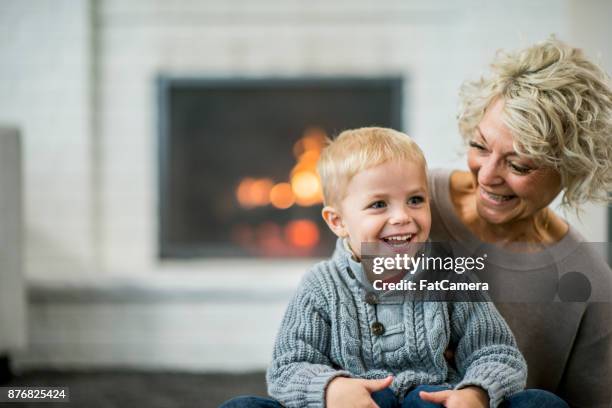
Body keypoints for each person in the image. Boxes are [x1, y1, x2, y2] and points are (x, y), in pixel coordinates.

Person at [221, 127, 567, 407]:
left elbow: (496, 352)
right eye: (378, 204)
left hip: (431, 401)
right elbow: (288, 368)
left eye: (415, 200)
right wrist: (332, 390)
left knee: (541, 403)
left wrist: (475, 393)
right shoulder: (320, 286)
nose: (402, 217)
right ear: (338, 221)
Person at [428, 37, 612, 408]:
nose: (487, 176)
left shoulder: (587, 282)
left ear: (571, 169)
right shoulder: (413, 202)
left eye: (518, 165)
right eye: (480, 147)